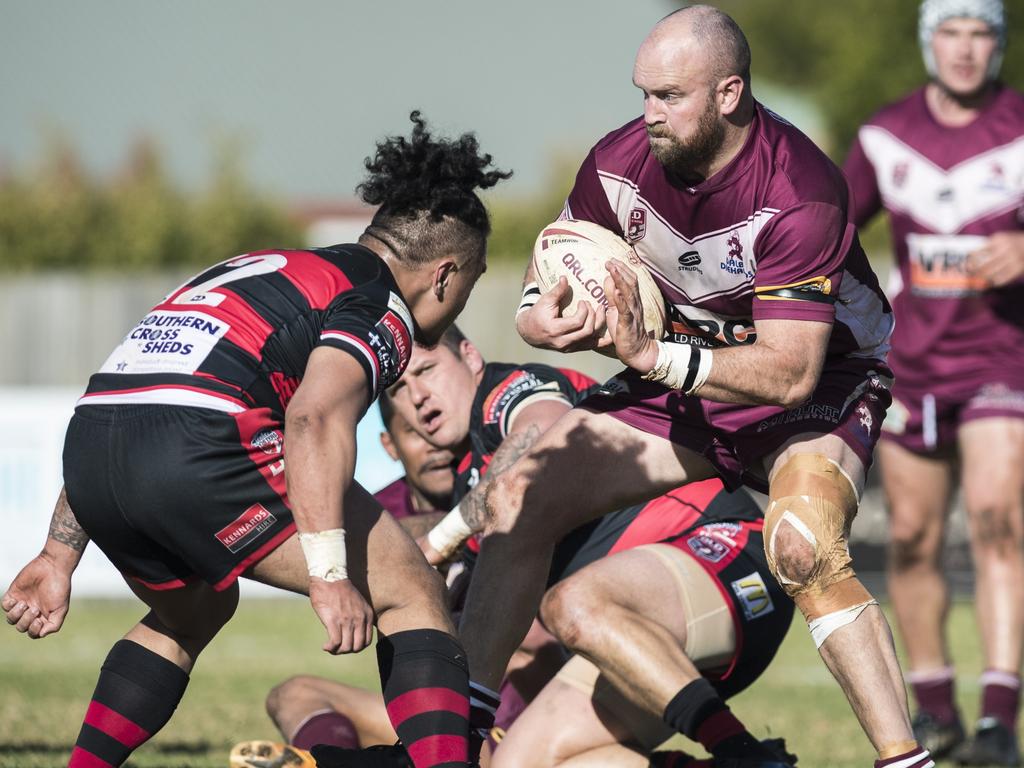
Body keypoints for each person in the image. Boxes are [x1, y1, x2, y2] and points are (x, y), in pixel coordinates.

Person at [456, 7, 934, 768]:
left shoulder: (801, 188)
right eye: (643, 93)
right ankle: (458, 741)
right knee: (522, 497)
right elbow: (555, 263)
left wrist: (653, 355)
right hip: (684, 368)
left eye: (669, 96)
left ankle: (906, 760)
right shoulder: (617, 162)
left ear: (729, 93)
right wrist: (537, 319)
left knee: (802, 544)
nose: (649, 115)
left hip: (819, 383)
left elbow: (787, 371)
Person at [1, 112, 510, 768]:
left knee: (194, 611)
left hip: (94, 449)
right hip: (201, 450)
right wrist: (331, 575)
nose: (462, 301)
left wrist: (58, 553)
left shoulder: (262, 268)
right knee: (409, 587)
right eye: (471, 282)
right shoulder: (380, 303)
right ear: (445, 276)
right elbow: (315, 419)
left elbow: (141, 399)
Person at [285, 328, 795, 768]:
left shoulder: (507, 390)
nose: (417, 397)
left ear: (470, 359)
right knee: (516, 763)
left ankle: (744, 752)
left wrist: (441, 541)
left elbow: (541, 433)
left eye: (427, 371)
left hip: (728, 555)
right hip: (652, 643)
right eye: (398, 388)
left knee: (573, 602)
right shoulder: (468, 482)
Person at [843, 1, 1024, 764]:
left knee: (996, 519)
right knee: (913, 540)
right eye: (949, 31)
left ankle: (996, 723)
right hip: (912, 365)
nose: (964, 48)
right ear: (928, 42)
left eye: (980, 31)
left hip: (1001, 362)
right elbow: (825, 231)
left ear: (999, 42)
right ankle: (938, 711)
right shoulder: (885, 137)